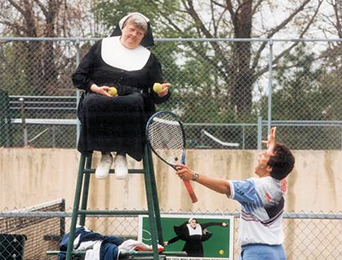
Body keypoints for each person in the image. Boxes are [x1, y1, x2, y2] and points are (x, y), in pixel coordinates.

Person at [72, 13, 171, 180]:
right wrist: (95, 88)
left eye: (139, 33)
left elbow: (157, 94)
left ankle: (121, 155)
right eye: (131, 29)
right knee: (91, 101)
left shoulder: (149, 58)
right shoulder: (101, 46)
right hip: (99, 96)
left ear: (144, 36)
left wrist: (162, 92)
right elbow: (78, 76)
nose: (134, 35)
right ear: (122, 28)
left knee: (134, 101)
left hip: (133, 103)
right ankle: (105, 155)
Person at [175, 127, 295, 260]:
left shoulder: (256, 187)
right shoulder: (280, 183)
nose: (260, 154)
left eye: (265, 155)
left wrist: (193, 175)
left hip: (259, 253)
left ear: (269, 167)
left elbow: (226, 186)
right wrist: (272, 145)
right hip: (276, 252)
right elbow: (283, 164)